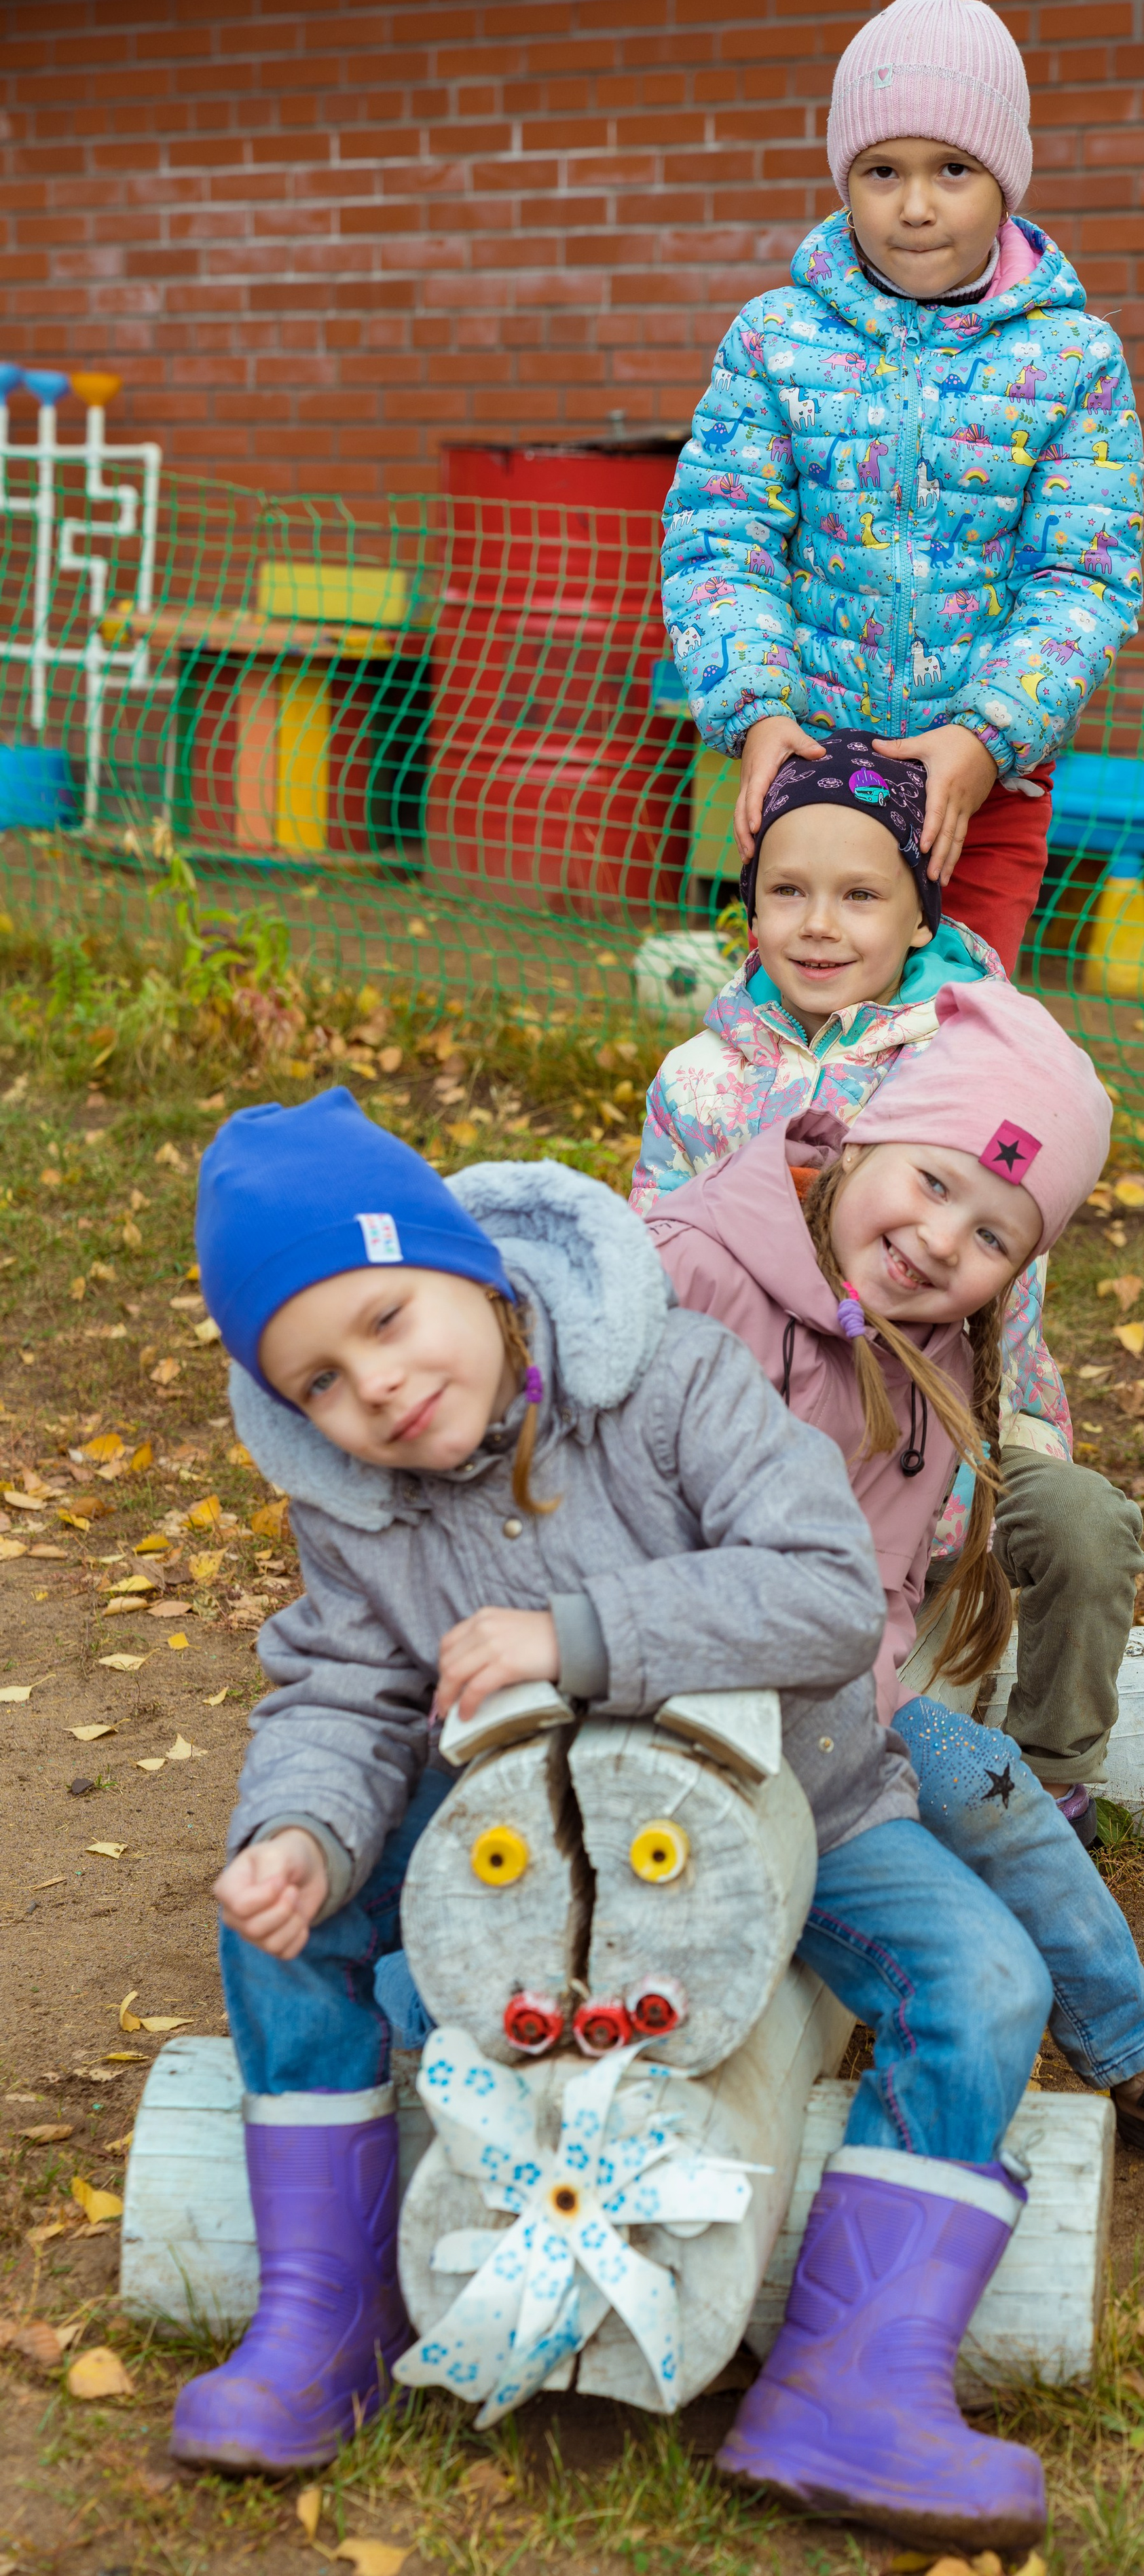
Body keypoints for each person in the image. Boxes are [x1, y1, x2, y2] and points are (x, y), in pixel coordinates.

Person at [174, 1085, 1056, 2555]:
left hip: (799, 1807)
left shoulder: (665, 1380)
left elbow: (828, 1592)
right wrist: (304, 1837)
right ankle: (324, 2320)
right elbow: (340, 1695)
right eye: (317, 1381)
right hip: (520, 1841)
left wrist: (577, 1635)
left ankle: (852, 2376)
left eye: (388, 1320)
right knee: (285, 1909)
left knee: (982, 1983)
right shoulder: (354, 1502)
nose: (373, 1391)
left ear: (466, 1262)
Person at [644, 983, 1144, 2251]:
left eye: (991, 1237)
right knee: (950, 1779)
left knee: (980, 1772)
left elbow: (886, 1589)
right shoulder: (689, 1268)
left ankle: (1138, 2046)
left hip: (820, 1727)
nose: (936, 1240)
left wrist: (873, 1722)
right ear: (857, 1141)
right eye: (929, 1181)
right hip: (661, 1731)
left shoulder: (930, 1360)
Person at [632, 732, 1144, 1845]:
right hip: (761, 1417)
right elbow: (654, 1260)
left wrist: (970, 1478)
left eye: (861, 895)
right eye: (788, 891)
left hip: (945, 1422)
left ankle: (1054, 1775)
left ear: (922, 915)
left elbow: (1008, 1298)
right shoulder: (700, 1080)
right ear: (750, 901)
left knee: (1081, 1526)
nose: (819, 924)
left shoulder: (968, 1065)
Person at [661, 0, 1144, 977]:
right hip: (806, 775)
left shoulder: (1074, 361)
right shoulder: (775, 340)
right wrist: (757, 715)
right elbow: (722, 536)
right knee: (804, 1046)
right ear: (847, 180)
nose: (916, 204)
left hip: (980, 788)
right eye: (883, 170)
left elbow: (1082, 580)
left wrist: (986, 735)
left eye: (953, 169)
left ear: (1003, 180)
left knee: (955, 1049)